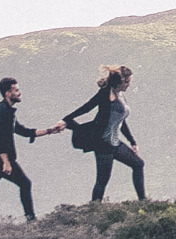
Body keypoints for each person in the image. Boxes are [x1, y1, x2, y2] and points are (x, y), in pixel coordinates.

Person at [0, 76, 63, 220]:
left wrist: (50, 130)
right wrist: (6, 162)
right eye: (16, 90)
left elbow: (23, 131)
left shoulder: (8, 111)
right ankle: (31, 219)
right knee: (23, 184)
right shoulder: (1, 111)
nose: (19, 93)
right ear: (8, 93)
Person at [62, 63, 146, 202]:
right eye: (128, 82)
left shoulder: (120, 95)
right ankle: (94, 210)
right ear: (121, 81)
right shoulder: (106, 94)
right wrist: (66, 119)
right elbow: (87, 107)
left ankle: (143, 202)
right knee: (102, 181)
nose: (129, 85)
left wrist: (133, 142)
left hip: (115, 143)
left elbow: (121, 120)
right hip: (103, 144)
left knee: (138, 164)